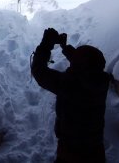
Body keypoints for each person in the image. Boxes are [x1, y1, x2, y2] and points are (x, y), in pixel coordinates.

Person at [31, 28, 110, 163]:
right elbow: (85, 63)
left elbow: (39, 71)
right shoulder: (100, 81)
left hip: (71, 154)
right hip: (96, 152)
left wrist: (46, 45)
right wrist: (65, 47)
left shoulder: (71, 85)